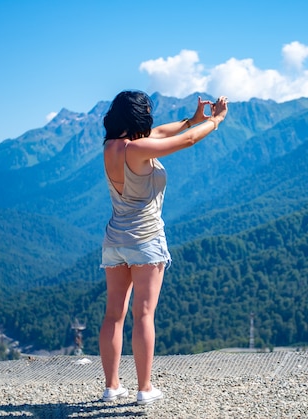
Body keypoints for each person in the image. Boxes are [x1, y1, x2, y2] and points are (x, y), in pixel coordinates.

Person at [99, 90, 229, 406]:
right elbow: (184, 142)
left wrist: (192, 119)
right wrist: (215, 122)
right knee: (144, 313)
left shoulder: (112, 147)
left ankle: (111, 386)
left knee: (114, 314)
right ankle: (145, 389)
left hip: (115, 241)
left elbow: (163, 133)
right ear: (138, 116)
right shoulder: (140, 148)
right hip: (145, 241)